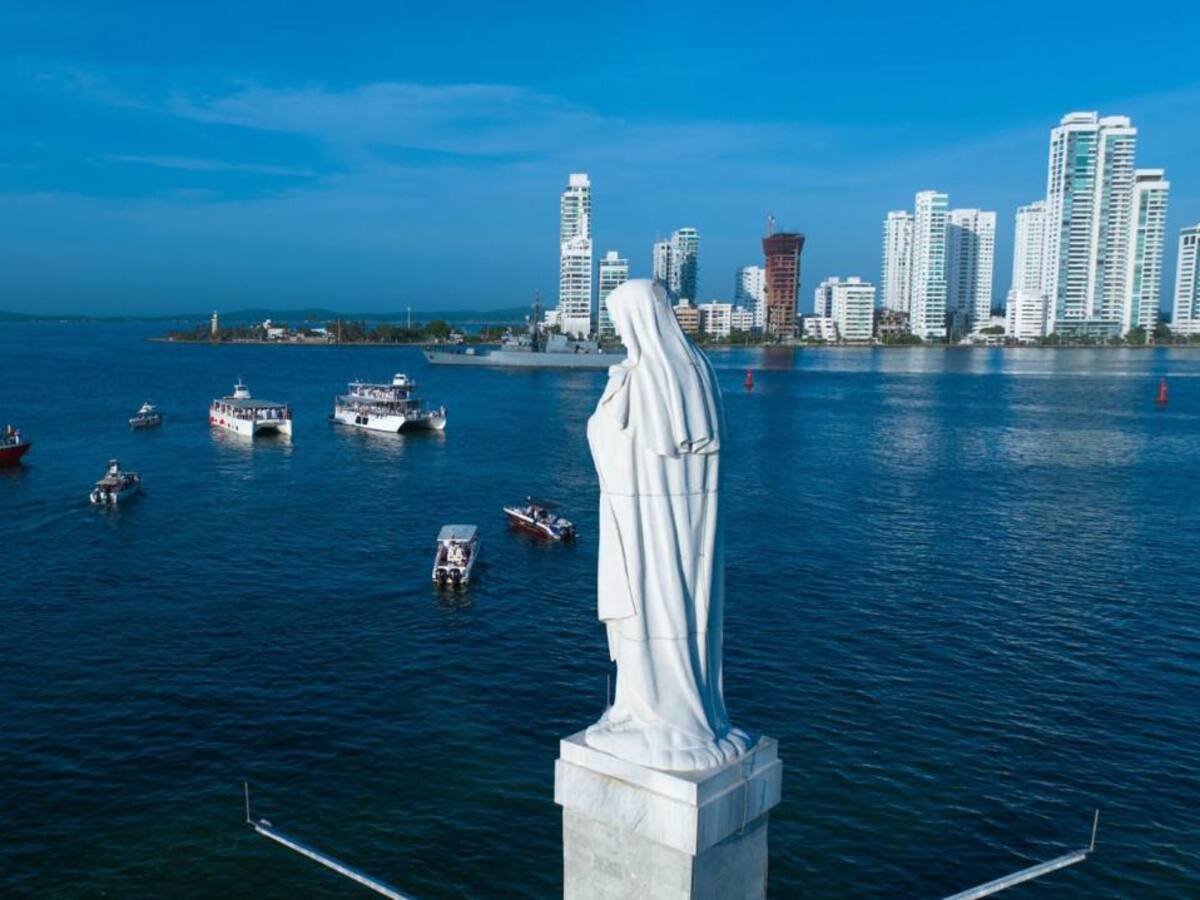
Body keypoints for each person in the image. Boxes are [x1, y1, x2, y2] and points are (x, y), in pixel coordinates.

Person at [584, 280, 752, 772]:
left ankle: (660, 717)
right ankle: (654, 707)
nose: (619, 335)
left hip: (645, 527)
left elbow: (611, 441)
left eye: (620, 324)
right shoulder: (696, 370)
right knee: (681, 616)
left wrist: (611, 403)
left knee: (649, 612)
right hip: (690, 528)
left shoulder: (641, 379)